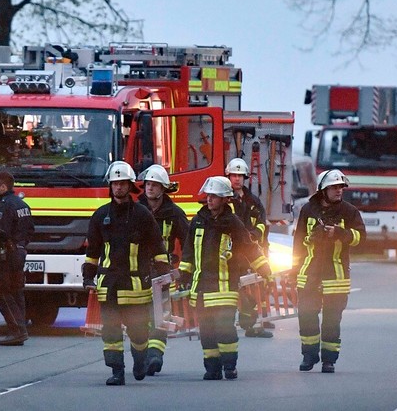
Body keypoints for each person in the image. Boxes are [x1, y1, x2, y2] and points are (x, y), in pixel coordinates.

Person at [82, 161, 170, 386]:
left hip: (135, 286)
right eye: (115, 183)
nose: (118, 187)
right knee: (111, 332)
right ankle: (117, 371)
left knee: (139, 332)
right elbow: (93, 251)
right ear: (110, 186)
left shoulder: (143, 215)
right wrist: (88, 277)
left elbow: (158, 247)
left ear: (130, 186)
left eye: (122, 183)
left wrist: (164, 276)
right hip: (109, 286)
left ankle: (139, 360)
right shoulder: (101, 215)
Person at [178, 176, 272, 381]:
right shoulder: (198, 221)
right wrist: (184, 274)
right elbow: (188, 251)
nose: (209, 199)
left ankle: (229, 365)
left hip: (226, 286)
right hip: (202, 287)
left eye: (214, 196)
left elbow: (249, 247)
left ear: (224, 199)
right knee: (207, 331)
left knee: (225, 328)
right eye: (208, 196)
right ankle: (212, 368)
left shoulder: (233, 223)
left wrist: (265, 270)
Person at [292, 169, 364, 373]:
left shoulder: (349, 212)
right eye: (334, 187)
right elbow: (298, 242)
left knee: (332, 320)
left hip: (336, 275)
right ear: (323, 190)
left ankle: (329, 360)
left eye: (341, 187)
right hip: (310, 273)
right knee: (306, 314)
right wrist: (294, 270)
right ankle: (309, 355)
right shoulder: (308, 210)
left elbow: (361, 238)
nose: (339, 190)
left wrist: (340, 233)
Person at [136, 164, 189, 376]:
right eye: (148, 184)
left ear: (163, 188)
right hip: (136, 271)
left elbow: (188, 243)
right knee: (139, 316)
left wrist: (185, 270)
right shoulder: (135, 210)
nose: (149, 188)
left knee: (160, 315)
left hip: (162, 272)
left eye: (155, 185)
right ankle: (142, 356)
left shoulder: (174, 213)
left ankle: (155, 355)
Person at [226, 157, 272, 338]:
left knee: (253, 289)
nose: (237, 179)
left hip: (250, 252)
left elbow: (261, 223)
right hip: (231, 254)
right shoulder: (225, 198)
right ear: (228, 176)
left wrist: (254, 236)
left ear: (245, 178)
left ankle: (251, 325)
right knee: (233, 290)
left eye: (240, 176)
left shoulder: (253, 201)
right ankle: (227, 325)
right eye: (233, 175)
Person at [0, 170, 34, 346]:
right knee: (17, 292)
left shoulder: (4, 205)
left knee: (2, 292)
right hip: (19, 251)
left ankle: (17, 330)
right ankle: (20, 330)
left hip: (6, 254)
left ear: (3, 186)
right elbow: (30, 230)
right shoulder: (22, 204)